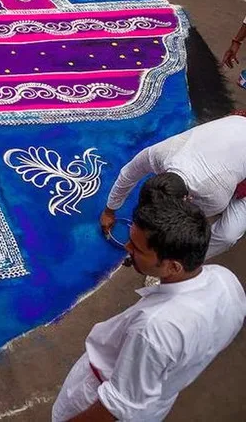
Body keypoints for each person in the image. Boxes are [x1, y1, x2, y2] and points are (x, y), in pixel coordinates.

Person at [54, 192, 246, 422]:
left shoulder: (154, 328)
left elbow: (115, 406)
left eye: (137, 248)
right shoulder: (226, 281)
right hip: (156, 398)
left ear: (173, 267)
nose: (127, 247)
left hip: (94, 396)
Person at [100, 115, 246, 259]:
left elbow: (186, 227)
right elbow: (129, 173)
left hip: (230, 174)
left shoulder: (214, 198)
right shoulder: (158, 155)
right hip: (236, 126)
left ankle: (177, 263)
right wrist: (109, 210)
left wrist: (151, 255)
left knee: (228, 235)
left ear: (186, 199)